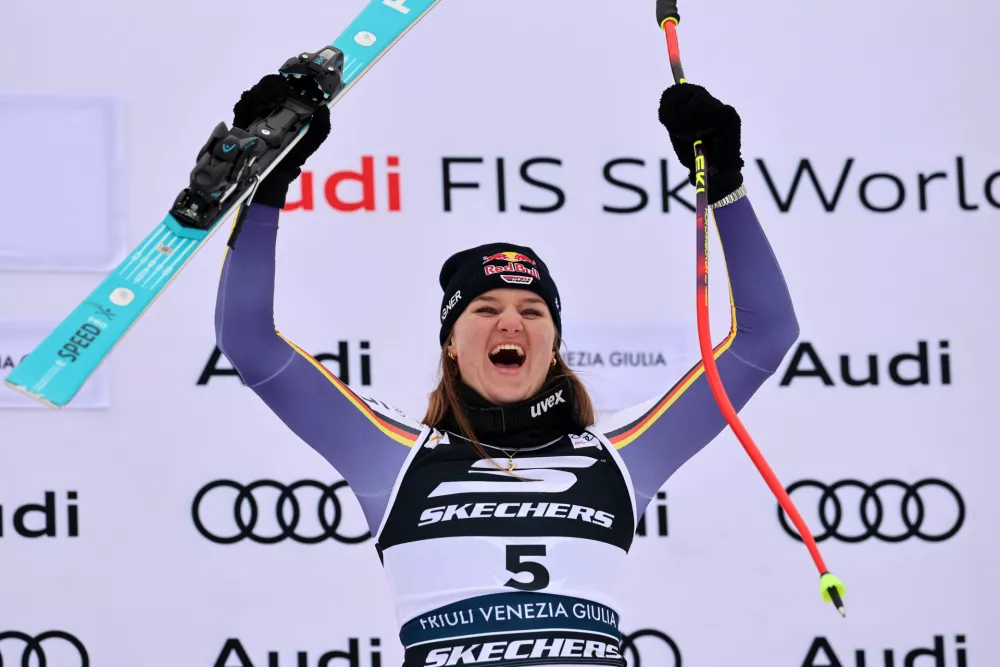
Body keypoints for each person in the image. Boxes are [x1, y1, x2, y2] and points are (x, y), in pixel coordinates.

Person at [215, 73, 799, 667]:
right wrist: (268, 185)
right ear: (450, 343)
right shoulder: (391, 453)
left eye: (532, 311)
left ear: (554, 344)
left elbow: (766, 337)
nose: (511, 323)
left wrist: (724, 184)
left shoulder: (623, 454)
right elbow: (249, 341)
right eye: (486, 309)